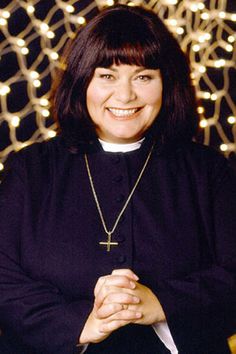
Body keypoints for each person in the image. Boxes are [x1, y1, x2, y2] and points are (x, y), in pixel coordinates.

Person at [0, 4, 235, 354]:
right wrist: (82, 323)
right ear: (82, 82)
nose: (125, 96)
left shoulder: (208, 171)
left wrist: (159, 304)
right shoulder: (29, 170)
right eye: (107, 76)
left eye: (143, 77)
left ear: (166, 83)